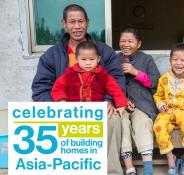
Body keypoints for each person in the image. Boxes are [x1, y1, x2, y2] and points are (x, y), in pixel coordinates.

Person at [31, 4, 125, 175]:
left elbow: (116, 79)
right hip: (66, 108)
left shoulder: (104, 51)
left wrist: (109, 100)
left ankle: (112, 171)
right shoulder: (52, 55)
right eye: (72, 22)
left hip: (98, 106)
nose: (77, 26)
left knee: (113, 120)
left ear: (87, 23)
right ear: (64, 23)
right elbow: (40, 88)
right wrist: (59, 104)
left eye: (81, 21)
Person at [117, 26, 161, 175]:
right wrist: (121, 100)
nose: (126, 44)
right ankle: (130, 168)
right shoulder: (114, 59)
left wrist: (135, 72)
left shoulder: (146, 59)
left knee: (142, 123)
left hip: (142, 105)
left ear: (139, 44)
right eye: (123, 41)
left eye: (130, 41)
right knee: (121, 123)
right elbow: (107, 83)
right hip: (120, 105)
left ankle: (148, 169)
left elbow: (155, 82)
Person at [153, 43, 184, 175]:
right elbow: (158, 96)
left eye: (183, 60)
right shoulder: (164, 79)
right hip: (167, 111)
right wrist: (160, 104)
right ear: (170, 61)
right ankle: (171, 158)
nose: (178, 63)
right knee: (158, 126)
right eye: (175, 59)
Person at [51, 41, 127, 116]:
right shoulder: (69, 73)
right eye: (83, 59)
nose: (88, 63)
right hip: (73, 111)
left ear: (98, 59)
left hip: (96, 112)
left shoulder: (104, 75)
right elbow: (58, 87)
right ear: (76, 59)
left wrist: (121, 104)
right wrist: (61, 100)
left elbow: (115, 90)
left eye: (92, 59)